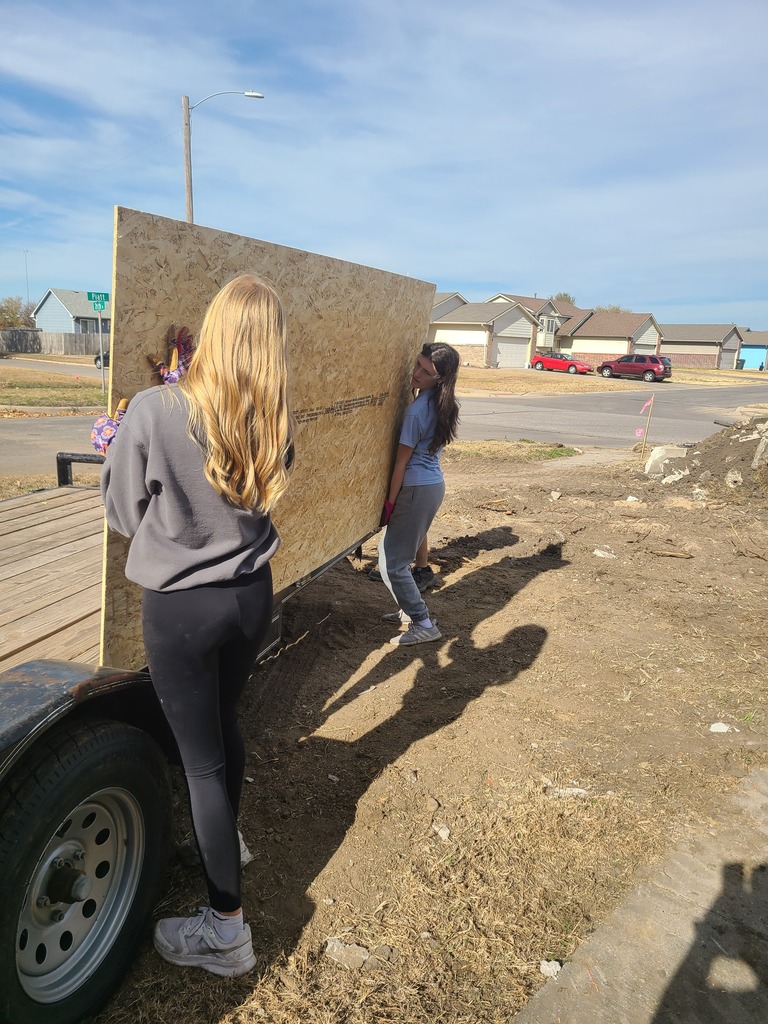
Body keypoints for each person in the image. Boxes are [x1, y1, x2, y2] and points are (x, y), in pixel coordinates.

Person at [101, 273, 294, 977]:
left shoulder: (156, 409)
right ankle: (226, 844)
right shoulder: (275, 417)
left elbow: (123, 514)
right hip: (251, 597)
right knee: (223, 726)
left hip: (183, 607)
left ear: (212, 328)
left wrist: (121, 451)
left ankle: (226, 932)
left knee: (201, 763)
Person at [379, 341, 460, 646]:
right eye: (417, 365)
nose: (416, 374)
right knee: (392, 557)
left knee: (393, 563)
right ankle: (408, 608)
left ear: (440, 378)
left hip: (415, 490)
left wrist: (390, 503)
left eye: (426, 372)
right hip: (431, 486)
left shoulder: (416, 412)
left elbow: (401, 463)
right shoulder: (443, 403)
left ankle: (423, 622)